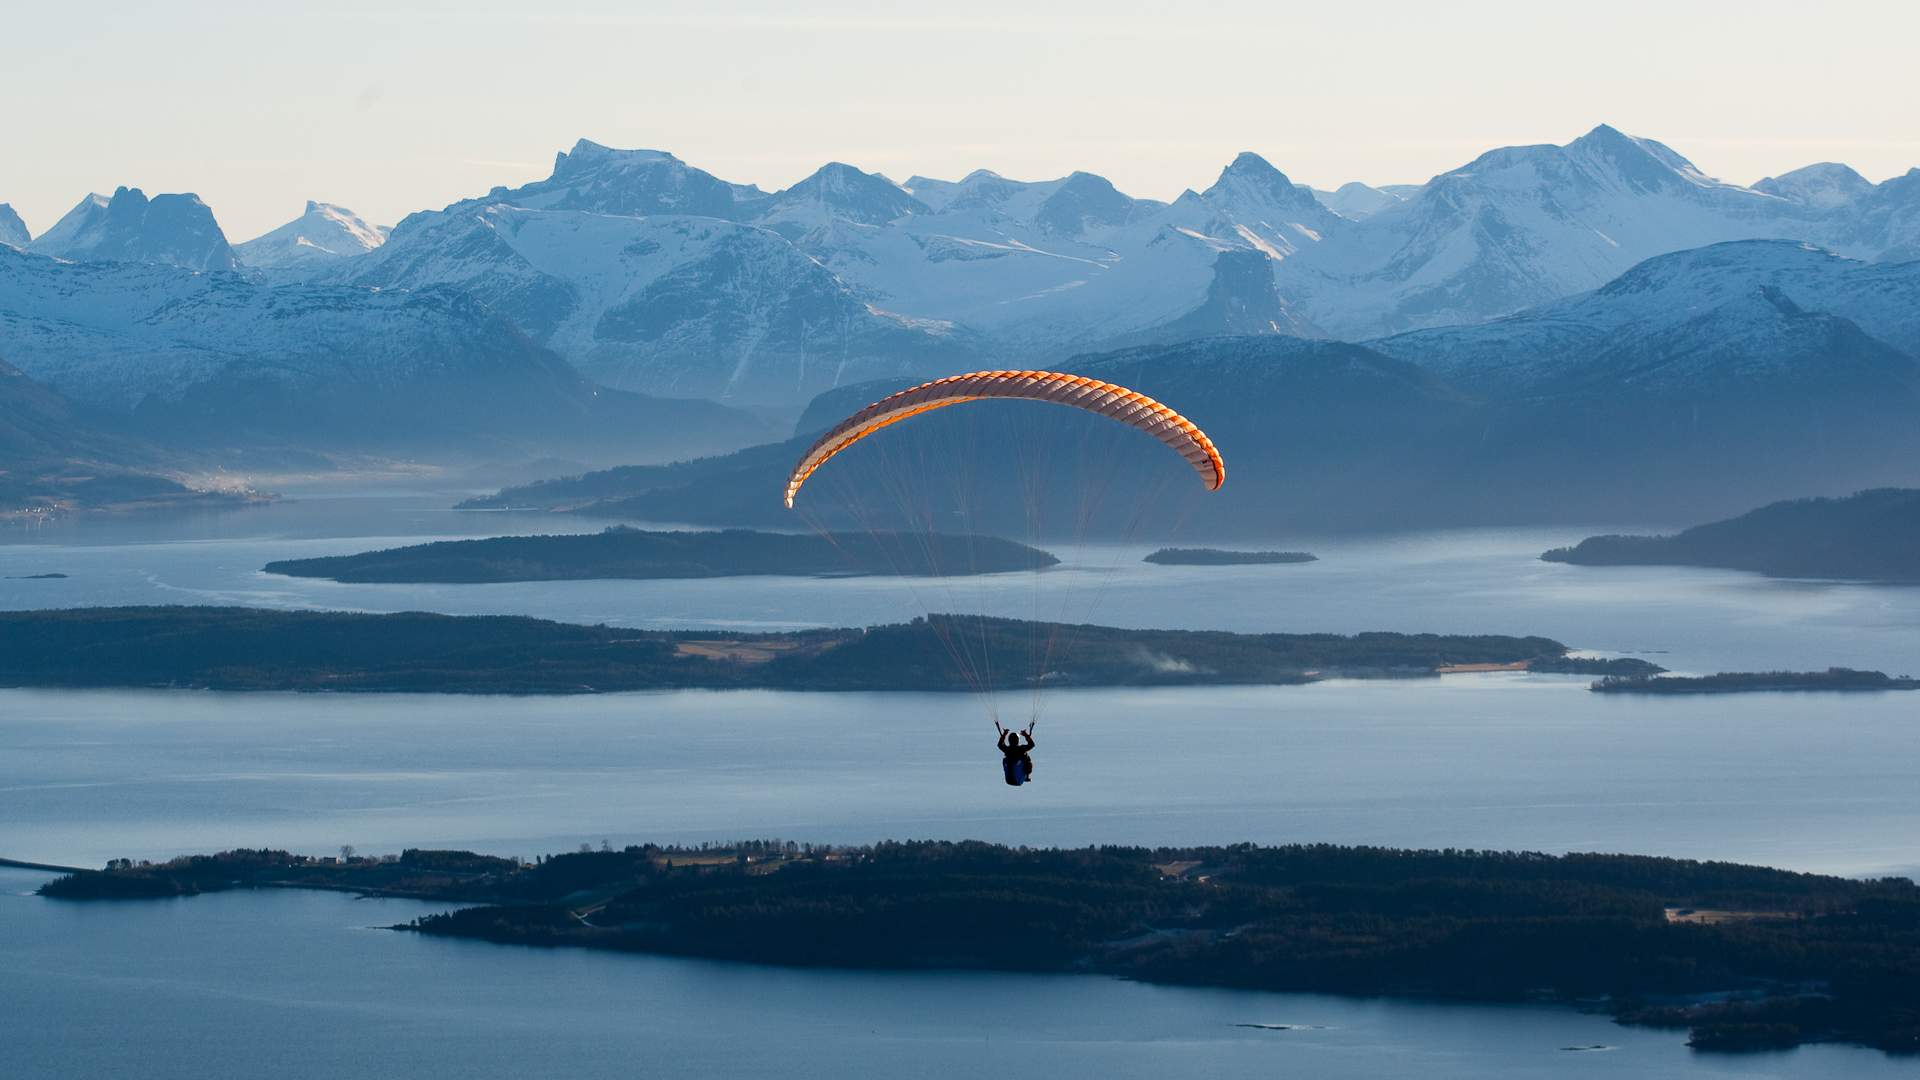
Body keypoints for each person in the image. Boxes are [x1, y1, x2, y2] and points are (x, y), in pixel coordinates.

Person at [996, 721, 1035, 787]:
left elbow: (1000, 745)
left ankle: (1025, 775)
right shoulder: (1021, 749)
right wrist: (1026, 735)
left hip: (1008, 780)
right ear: (1018, 740)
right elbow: (1031, 745)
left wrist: (1004, 735)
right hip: (1018, 779)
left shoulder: (1007, 749)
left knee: (1007, 759)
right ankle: (1027, 776)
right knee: (1026, 756)